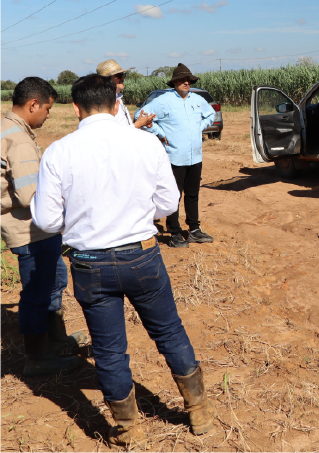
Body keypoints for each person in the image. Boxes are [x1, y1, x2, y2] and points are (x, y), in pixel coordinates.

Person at [31, 74, 215, 445]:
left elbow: (47, 220)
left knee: (110, 350)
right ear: (117, 105)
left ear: (76, 108)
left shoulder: (59, 151)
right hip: (143, 256)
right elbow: (166, 205)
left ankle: (128, 430)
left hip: (90, 263)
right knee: (169, 332)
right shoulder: (146, 144)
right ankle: (199, 412)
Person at [1, 78, 84, 377]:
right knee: (38, 290)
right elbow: (29, 194)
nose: (48, 115)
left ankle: (55, 340)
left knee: (55, 278)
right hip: (30, 229)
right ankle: (37, 357)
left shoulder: (8, 128)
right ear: (33, 104)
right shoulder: (19, 139)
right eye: (47, 109)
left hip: (33, 229)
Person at [140, 64, 215, 248]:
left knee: (192, 194)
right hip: (174, 156)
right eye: (182, 80)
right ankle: (174, 232)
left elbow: (211, 114)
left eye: (188, 80)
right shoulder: (163, 100)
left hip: (195, 156)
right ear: (174, 82)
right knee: (174, 195)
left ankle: (194, 230)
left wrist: (200, 127)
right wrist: (159, 131)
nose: (186, 82)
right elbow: (140, 115)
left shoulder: (197, 100)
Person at [96, 59, 154, 129]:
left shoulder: (118, 98)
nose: (123, 78)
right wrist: (138, 124)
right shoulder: (104, 102)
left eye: (123, 75)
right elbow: (114, 132)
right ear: (106, 80)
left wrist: (142, 124)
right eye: (119, 75)